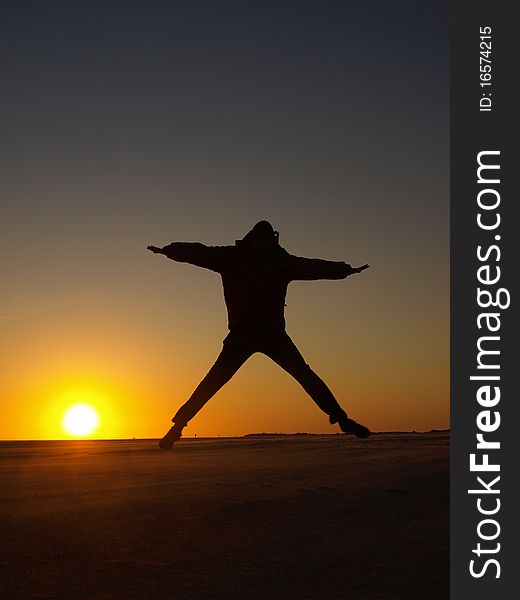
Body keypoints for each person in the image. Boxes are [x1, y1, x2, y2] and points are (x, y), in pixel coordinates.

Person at [148, 221, 370, 450]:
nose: (263, 244)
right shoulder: (232, 258)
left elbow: (313, 267)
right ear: (252, 239)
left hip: (274, 335)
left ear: (272, 241)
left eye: (267, 240)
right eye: (259, 240)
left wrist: (344, 270)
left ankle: (343, 420)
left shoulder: (281, 263)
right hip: (241, 336)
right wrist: (169, 250)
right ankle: (177, 427)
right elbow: (200, 252)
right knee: (213, 381)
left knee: (305, 375)